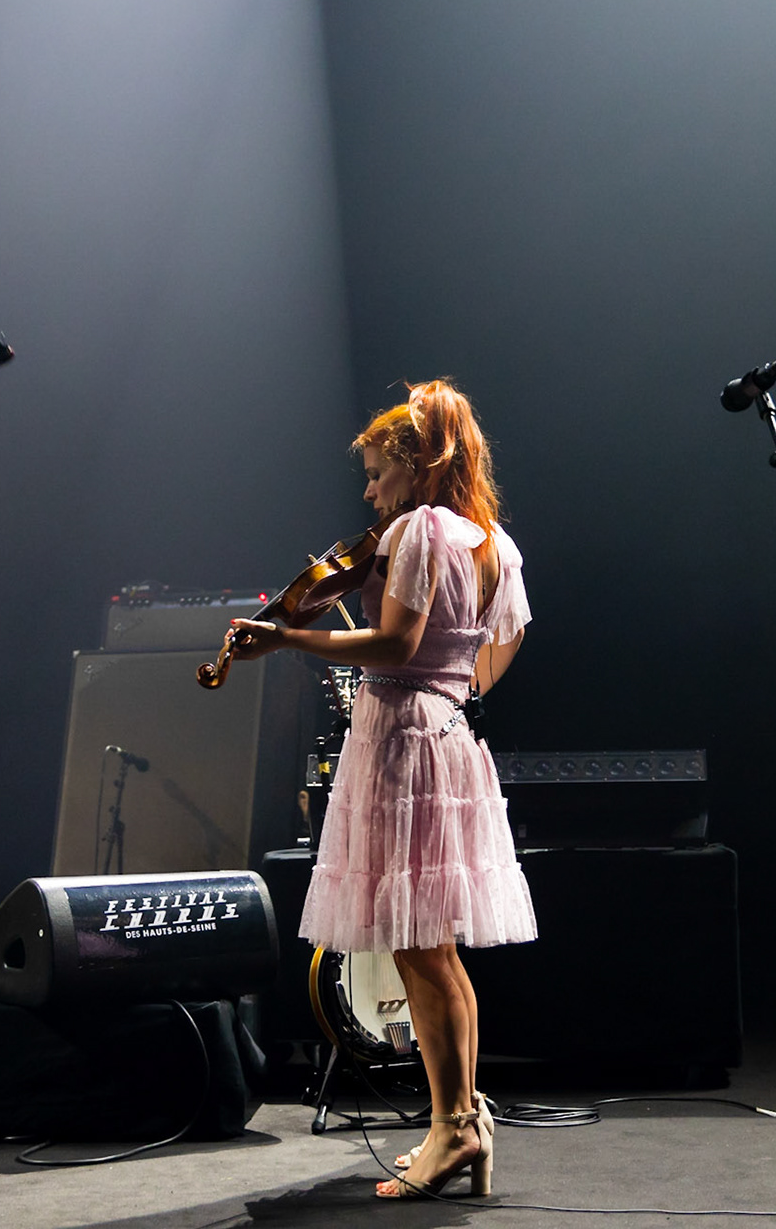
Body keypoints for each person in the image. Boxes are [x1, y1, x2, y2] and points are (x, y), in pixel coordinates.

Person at [227, 379, 534, 1199]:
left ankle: (452, 1128)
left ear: (414, 464)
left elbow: (396, 642)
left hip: (402, 741)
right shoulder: (491, 541)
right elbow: (496, 654)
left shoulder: (422, 528)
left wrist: (288, 635)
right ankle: (462, 1121)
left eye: (375, 473)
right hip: (447, 736)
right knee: (433, 950)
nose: (368, 491)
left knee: (418, 948)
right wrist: (449, 690)